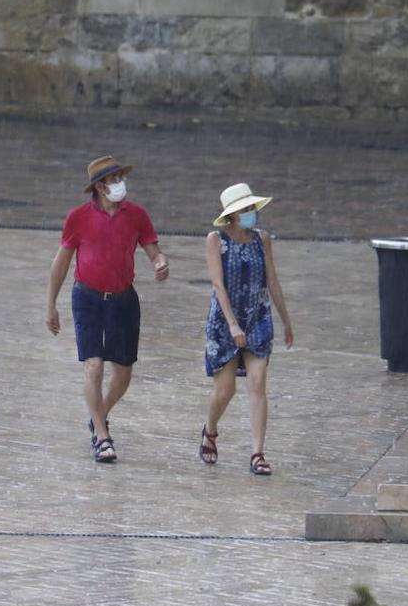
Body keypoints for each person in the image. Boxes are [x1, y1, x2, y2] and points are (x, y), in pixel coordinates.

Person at [46, 155, 169, 463]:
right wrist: (51, 305)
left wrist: (160, 262)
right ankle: (102, 437)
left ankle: (98, 414)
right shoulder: (78, 217)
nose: (120, 184)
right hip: (87, 298)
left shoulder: (137, 215)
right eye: (114, 180)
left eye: (120, 178)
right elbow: (60, 263)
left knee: (124, 372)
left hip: (123, 299)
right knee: (94, 366)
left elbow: (153, 249)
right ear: (100, 186)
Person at [199, 183, 293, 475]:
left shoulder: (261, 239)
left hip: (258, 318)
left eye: (253, 207)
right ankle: (210, 430)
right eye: (246, 208)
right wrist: (231, 324)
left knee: (257, 383)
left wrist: (286, 320)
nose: (251, 213)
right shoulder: (216, 240)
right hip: (225, 321)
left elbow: (273, 282)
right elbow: (218, 285)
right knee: (225, 389)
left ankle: (258, 453)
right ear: (233, 213)